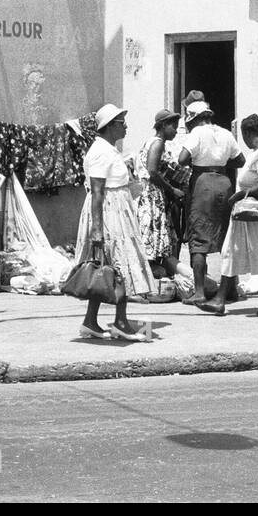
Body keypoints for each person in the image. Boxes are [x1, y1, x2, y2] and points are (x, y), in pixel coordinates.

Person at [74, 104, 155, 341]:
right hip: (109, 215)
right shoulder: (100, 151)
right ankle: (120, 322)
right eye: (122, 122)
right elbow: (98, 191)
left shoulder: (108, 149)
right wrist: (97, 229)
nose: (126, 126)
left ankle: (90, 321)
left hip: (118, 211)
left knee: (105, 268)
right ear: (109, 126)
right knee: (119, 267)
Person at [201, 114, 258, 316]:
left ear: (247, 133)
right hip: (247, 210)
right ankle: (220, 299)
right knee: (231, 250)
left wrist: (241, 194)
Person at [178, 101, 244, 304]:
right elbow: (240, 160)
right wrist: (221, 163)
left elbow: (182, 158)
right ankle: (230, 289)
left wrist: (199, 160)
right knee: (226, 237)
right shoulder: (225, 133)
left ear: (195, 118)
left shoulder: (196, 133)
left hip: (203, 183)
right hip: (224, 182)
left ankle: (199, 293)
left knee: (199, 238)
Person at [134, 109, 186, 286]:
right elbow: (153, 171)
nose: (175, 131)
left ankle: (153, 274)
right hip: (153, 193)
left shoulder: (153, 142)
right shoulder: (157, 143)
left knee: (153, 234)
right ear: (163, 126)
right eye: (173, 127)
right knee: (153, 232)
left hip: (153, 193)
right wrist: (172, 190)